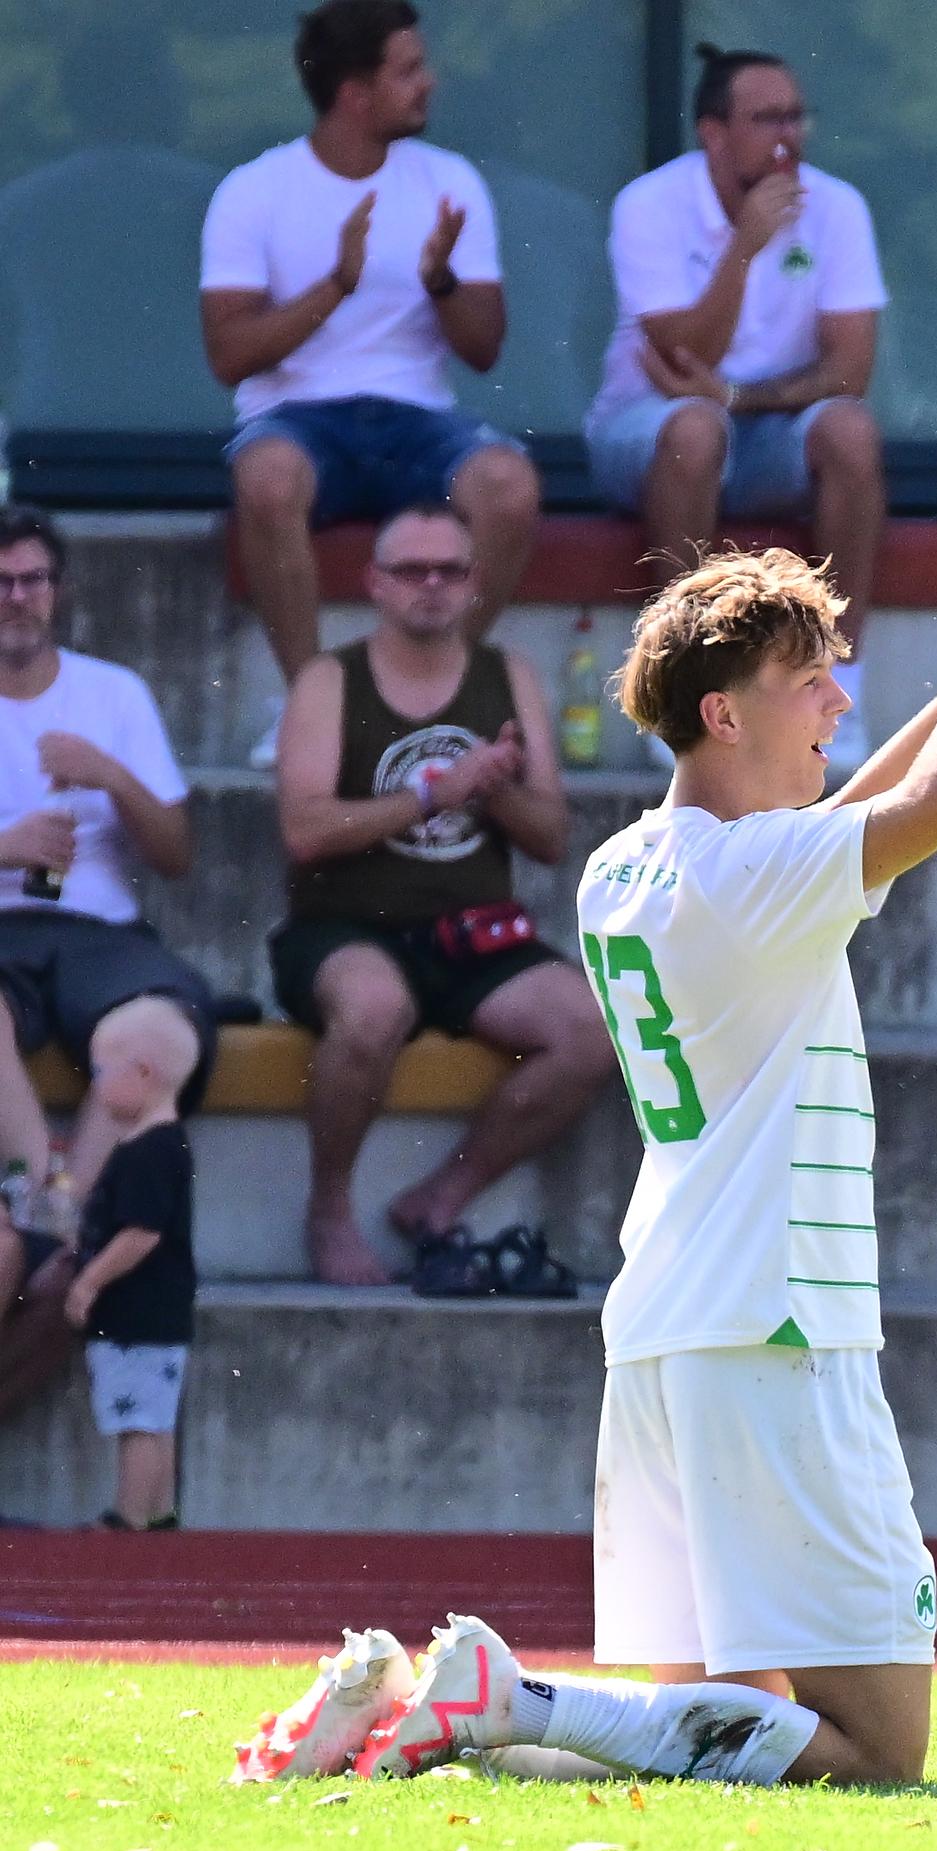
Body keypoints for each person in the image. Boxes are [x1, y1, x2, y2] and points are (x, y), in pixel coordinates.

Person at [233, 488, 937, 1792]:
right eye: (813, 683)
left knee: (710, 1746)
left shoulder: (627, 867)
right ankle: (507, 1689)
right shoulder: (748, 878)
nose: (837, 706)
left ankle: (447, 1709)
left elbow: (866, 801)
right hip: (776, 1332)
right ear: (726, 714)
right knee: (876, 1752)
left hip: (668, 1332)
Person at [270, 504, 604, 1289]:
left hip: (472, 934)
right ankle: (328, 1210)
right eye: (411, 570)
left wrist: (490, 793)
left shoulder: (506, 675)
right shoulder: (329, 678)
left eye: (449, 570)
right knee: (374, 1009)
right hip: (343, 928)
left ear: (474, 584)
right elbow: (305, 831)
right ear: (374, 583)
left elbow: (552, 836)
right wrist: (433, 795)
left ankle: (440, 1198)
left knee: (595, 1030)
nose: (431, 586)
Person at [202, 0, 539, 762]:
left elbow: (483, 350)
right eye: (409, 69)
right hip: (297, 420)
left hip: (417, 420)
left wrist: (443, 281)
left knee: (510, 487)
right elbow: (229, 356)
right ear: (356, 92)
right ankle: (309, 710)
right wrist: (334, 287)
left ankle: (440, 693)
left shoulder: (449, 183)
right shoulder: (254, 192)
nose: (430, 82)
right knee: (265, 479)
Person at [587, 44, 888, 769]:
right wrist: (745, 246)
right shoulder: (651, 205)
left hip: (768, 431)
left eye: (796, 115)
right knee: (694, 430)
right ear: (714, 133)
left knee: (850, 435)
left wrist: (739, 399)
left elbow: (851, 372)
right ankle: (681, 694)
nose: (790, 136)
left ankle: (837, 682)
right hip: (645, 430)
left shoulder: (837, 206)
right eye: (767, 118)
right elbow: (689, 354)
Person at [0, 505, 216, 1315]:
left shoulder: (112, 693)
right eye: (1, 582)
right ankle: (41, 1201)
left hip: (102, 932)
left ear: (57, 589)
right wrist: (7, 845)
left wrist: (112, 776)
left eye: (32, 580)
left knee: (156, 1034)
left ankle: (66, 1215)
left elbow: (177, 856)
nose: (16, 597)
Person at [59, 998, 200, 1532]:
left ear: (143, 1073)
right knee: (155, 1418)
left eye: (100, 1070)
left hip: (138, 1313)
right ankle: (158, 1513)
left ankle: (131, 1517)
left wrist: (89, 1281)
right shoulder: (159, 1145)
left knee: (137, 1420)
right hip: (158, 1312)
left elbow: (141, 1233)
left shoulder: (148, 1151)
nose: (95, 1084)